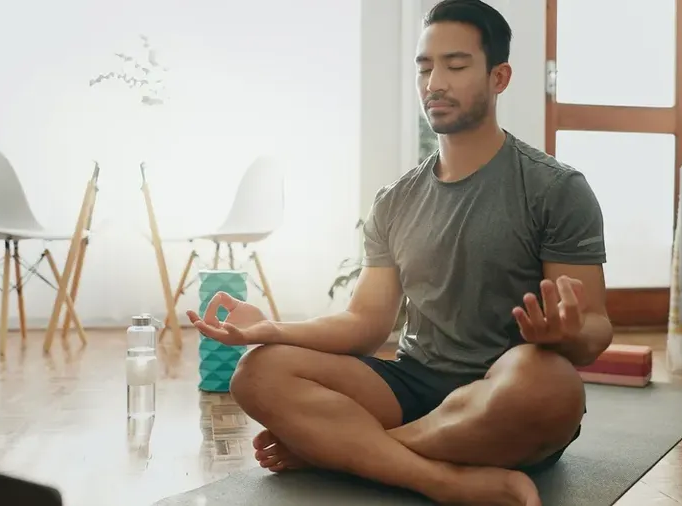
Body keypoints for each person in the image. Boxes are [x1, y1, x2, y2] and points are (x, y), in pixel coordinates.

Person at [187, 1, 611, 504]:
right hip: (411, 384)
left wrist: (568, 333)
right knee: (259, 371)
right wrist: (272, 329)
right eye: (425, 67)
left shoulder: (555, 189)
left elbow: (596, 328)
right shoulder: (395, 200)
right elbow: (365, 324)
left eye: (455, 66)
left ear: (499, 77)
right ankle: (443, 480)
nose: (435, 83)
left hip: (505, 392)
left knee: (552, 384)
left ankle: (351, 452)